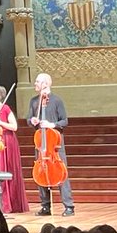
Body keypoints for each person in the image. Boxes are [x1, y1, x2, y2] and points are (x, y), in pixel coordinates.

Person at [27, 72, 75, 216]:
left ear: (46, 84)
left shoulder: (56, 101)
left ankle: (69, 206)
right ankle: (45, 206)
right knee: (41, 173)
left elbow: (64, 121)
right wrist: (32, 121)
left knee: (61, 174)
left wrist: (51, 124)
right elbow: (28, 119)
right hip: (41, 144)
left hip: (55, 145)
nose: (35, 84)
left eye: (37, 82)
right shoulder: (34, 101)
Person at [0, 84, 28, 215]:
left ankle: (10, 203)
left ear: (1, 94)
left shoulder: (6, 108)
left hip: (8, 142)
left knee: (7, 169)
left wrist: (0, 122)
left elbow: (14, 127)